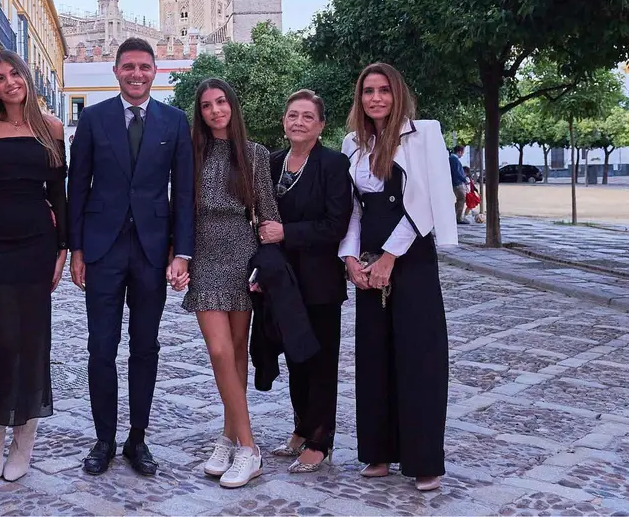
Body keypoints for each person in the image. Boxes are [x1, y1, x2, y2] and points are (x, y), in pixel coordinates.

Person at [67, 37, 194, 477]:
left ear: (154, 72)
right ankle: (103, 439)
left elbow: (184, 191)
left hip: (152, 251)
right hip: (102, 250)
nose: (136, 74)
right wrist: (77, 248)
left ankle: (137, 439)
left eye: (144, 67)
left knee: (145, 347)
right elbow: (77, 185)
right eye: (128, 67)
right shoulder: (94, 118)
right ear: (116, 71)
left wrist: (183, 251)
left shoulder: (175, 122)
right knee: (100, 348)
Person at [338, 62, 457, 492]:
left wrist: (390, 256)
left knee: (419, 357)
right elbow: (354, 208)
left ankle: (424, 460)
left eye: (383, 90)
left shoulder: (424, 134)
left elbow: (426, 201)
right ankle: (379, 452)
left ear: (397, 93)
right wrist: (351, 258)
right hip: (369, 262)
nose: (375, 98)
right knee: (373, 356)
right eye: (368, 90)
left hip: (412, 258)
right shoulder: (353, 142)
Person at [0, 49, 67, 482]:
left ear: (28, 79)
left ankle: (25, 436)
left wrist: (63, 250)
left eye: (16, 74)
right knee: (3, 341)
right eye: (0, 77)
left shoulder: (52, 130)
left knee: (33, 340)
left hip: (37, 247)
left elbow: (60, 196)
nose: (10, 82)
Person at [180, 78, 277, 488]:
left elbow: (268, 213)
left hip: (242, 259)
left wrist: (268, 259)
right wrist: (178, 255)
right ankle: (250, 448)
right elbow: (178, 210)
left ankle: (228, 437)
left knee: (237, 354)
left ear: (233, 106)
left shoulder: (255, 156)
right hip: (204, 258)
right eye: (206, 106)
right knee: (219, 351)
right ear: (199, 114)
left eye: (221, 102)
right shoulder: (190, 155)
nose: (216, 110)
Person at [257, 89, 352, 473]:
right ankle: (300, 428)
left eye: (307, 116)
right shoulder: (273, 162)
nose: (298, 121)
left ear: (321, 125)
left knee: (320, 360)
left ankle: (320, 440)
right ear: (284, 121)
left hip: (320, 281)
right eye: (292, 114)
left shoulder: (333, 164)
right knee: (295, 355)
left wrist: (286, 234)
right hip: (282, 279)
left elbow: (336, 225)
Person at [450, 145, 468, 224]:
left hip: (456, 182)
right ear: (460, 152)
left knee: (460, 199)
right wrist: (464, 180)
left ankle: (454, 215)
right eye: (462, 152)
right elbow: (456, 172)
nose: (462, 154)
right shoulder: (454, 159)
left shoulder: (452, 159)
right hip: (457, 183)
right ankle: (458, 217)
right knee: (461, 199)